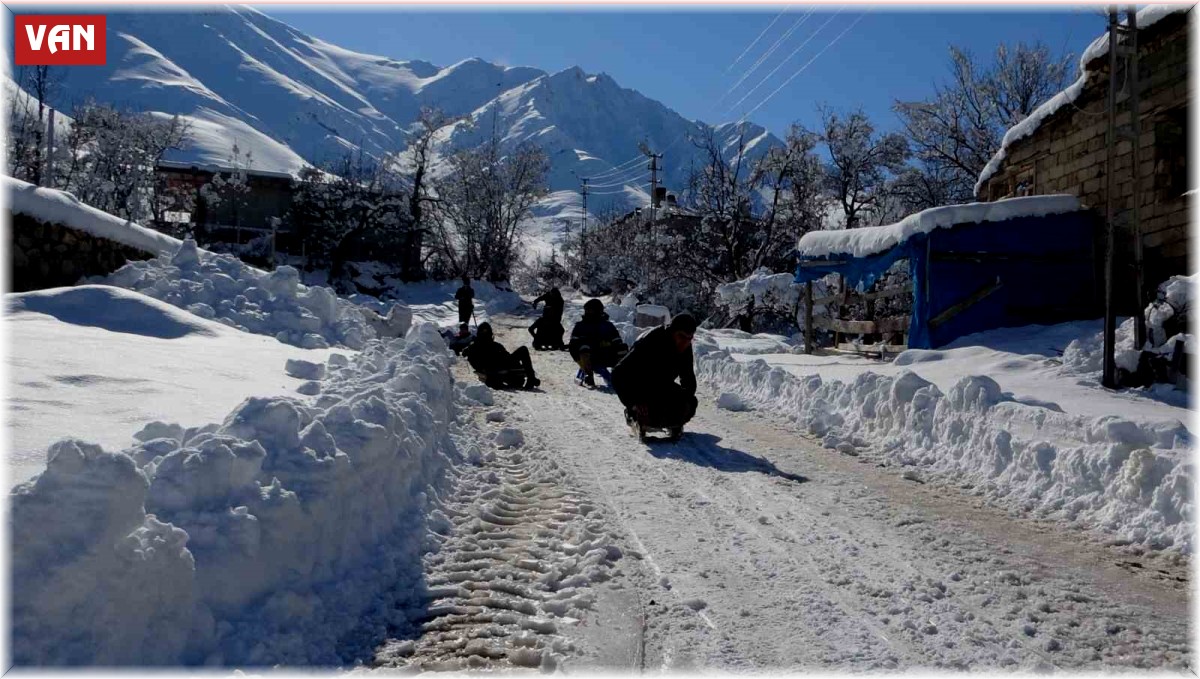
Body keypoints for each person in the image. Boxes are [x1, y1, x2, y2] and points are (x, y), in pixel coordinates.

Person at [611, 313, 698, 439]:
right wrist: (633, 402)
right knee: (649, 412)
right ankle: (633, 414)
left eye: (689, 339)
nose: (685, 342)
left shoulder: (685, 347)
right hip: (639, 386)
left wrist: (684, 404)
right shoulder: (651, 341)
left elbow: (688, 377)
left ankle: (670, 421)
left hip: (662, 385)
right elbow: (618, 373)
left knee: (690, 403)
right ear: (673, 332)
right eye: (682, 337)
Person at [461, 322, 541, 390]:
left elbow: (472, 362)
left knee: (516, 376)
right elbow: (506, 357)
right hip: (498, 370)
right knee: (523, 350)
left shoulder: (473, 347)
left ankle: (529, 378)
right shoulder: (491, 345)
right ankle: (531, 378)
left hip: (497, 371)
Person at [569, 298, 627, 388]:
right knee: (584, 347)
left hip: (606, 355)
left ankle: (622, 375)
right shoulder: (581, 326)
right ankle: (588, 375)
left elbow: (617, 340)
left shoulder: (607, 325)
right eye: (587, 310)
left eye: (590, 310)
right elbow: (573, 345)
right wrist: (578, 356)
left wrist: (617, 347)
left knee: (622, 348)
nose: (588, 313)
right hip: (590, 357)